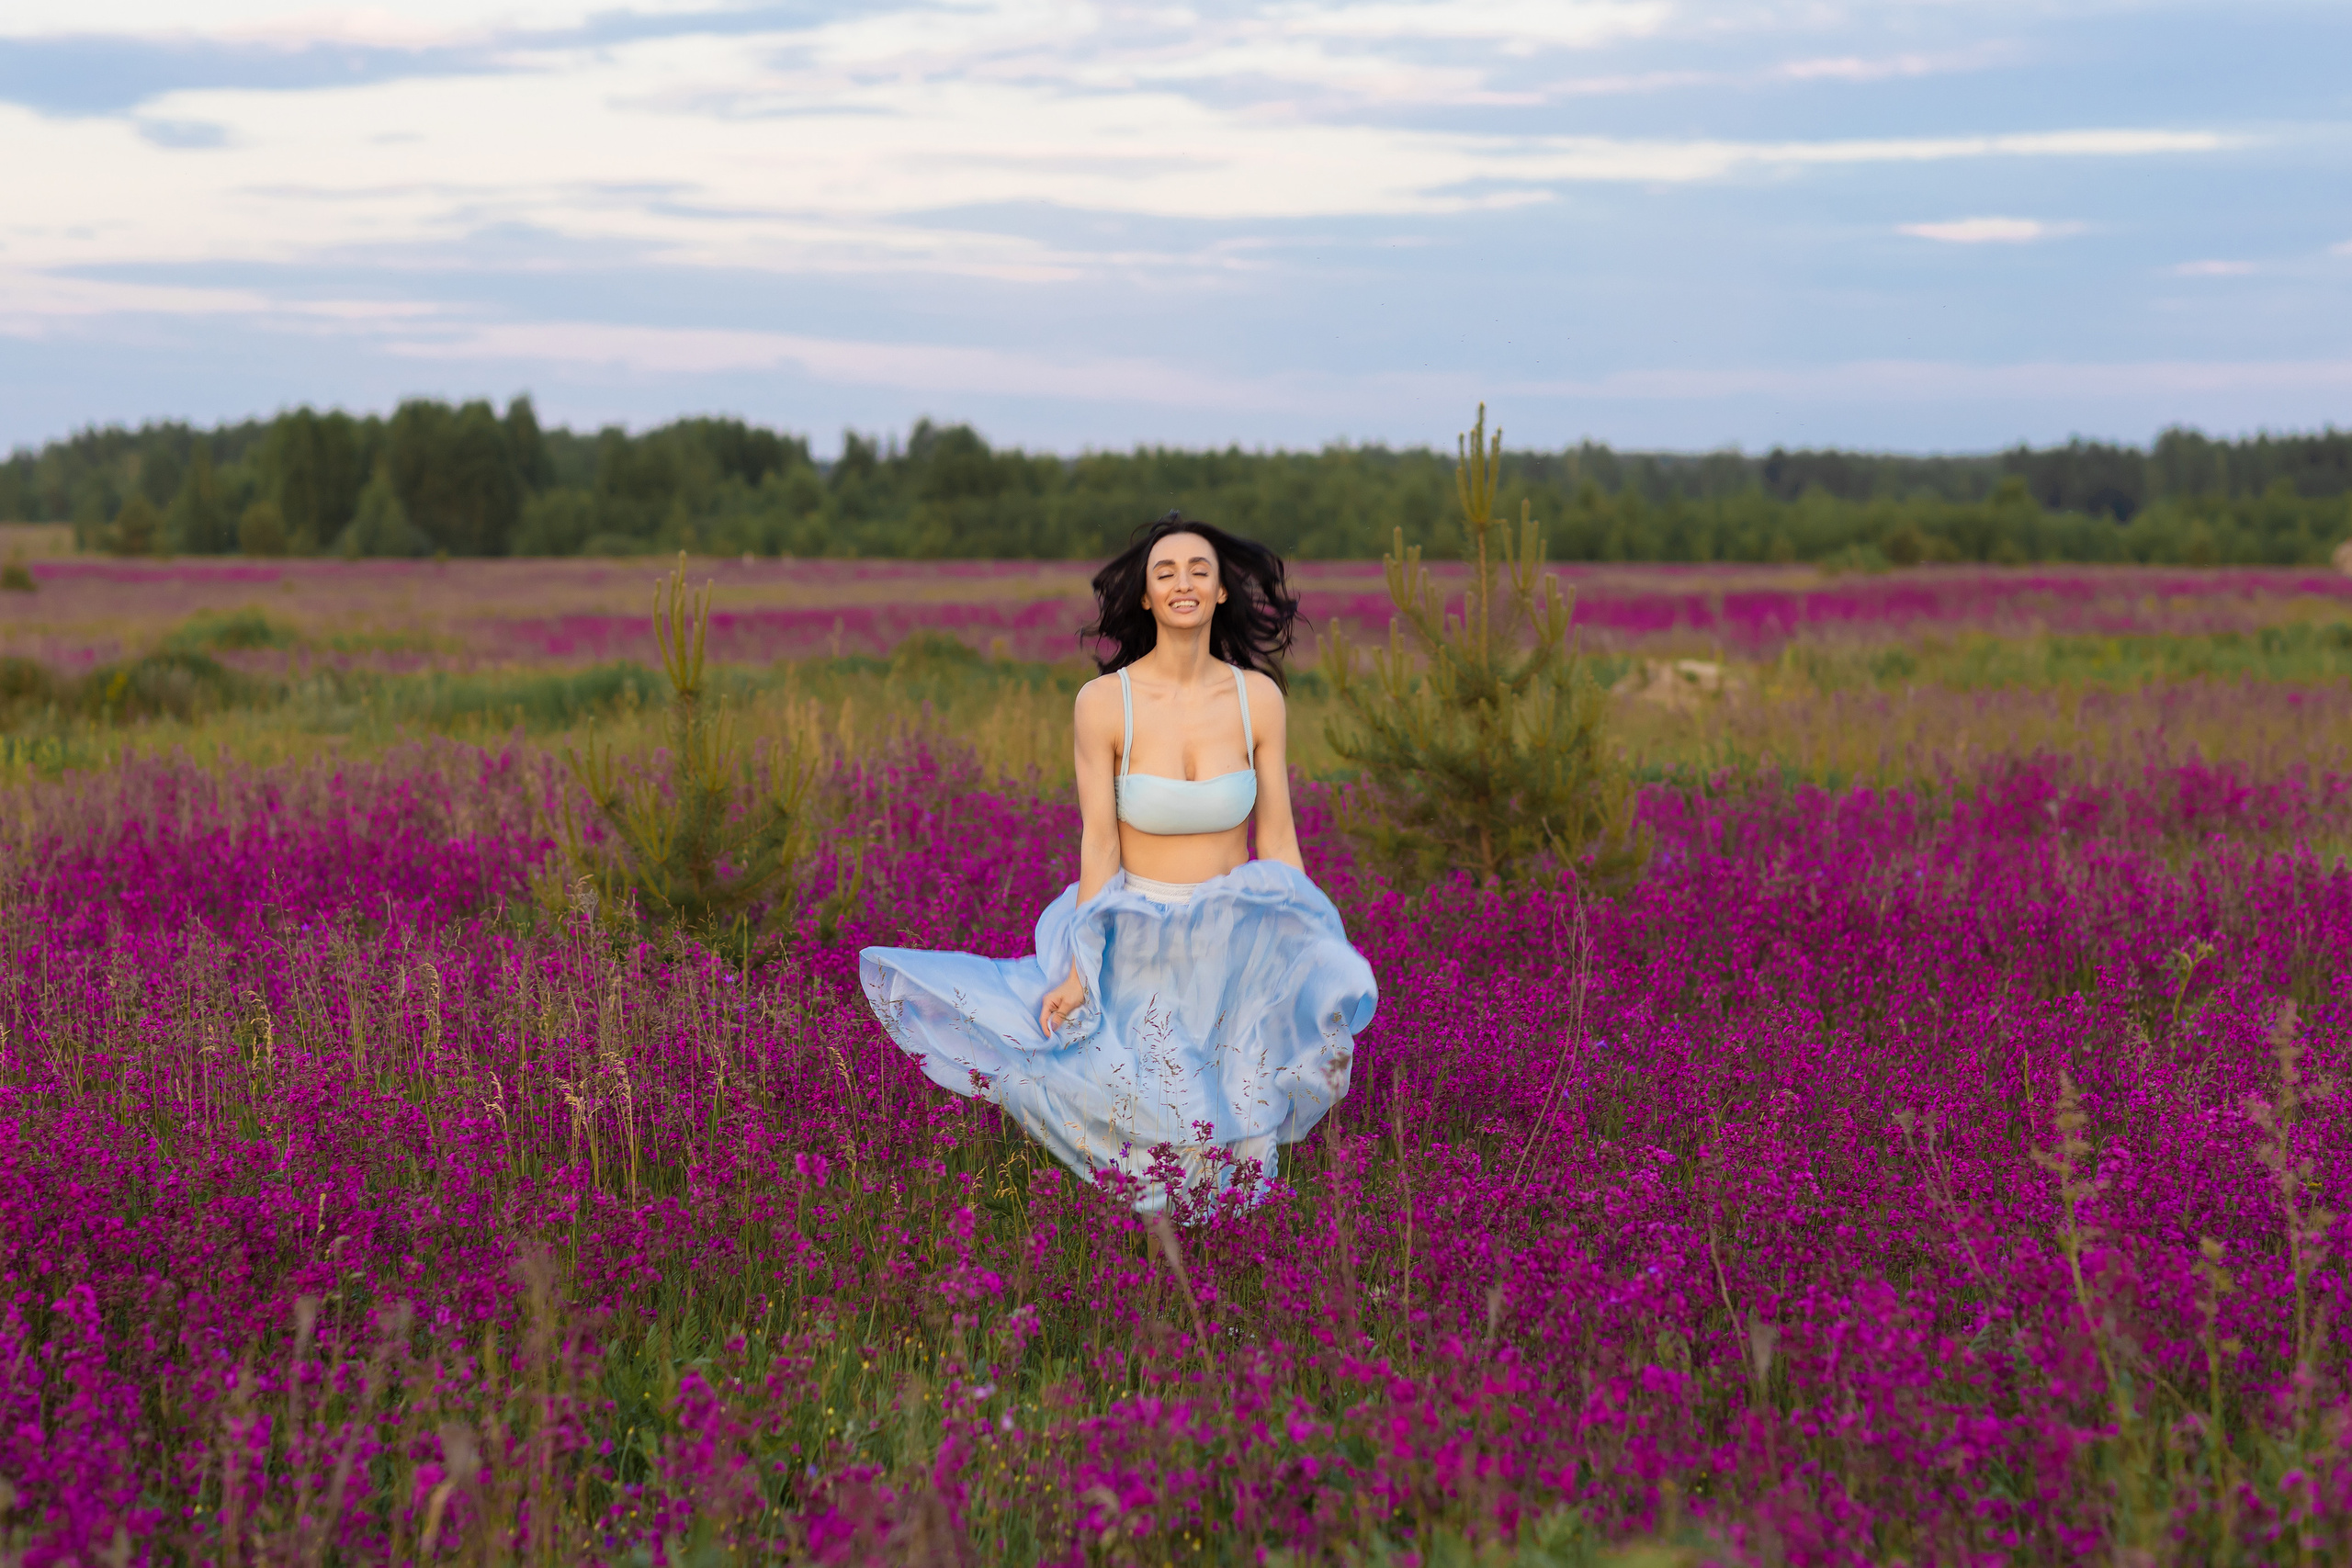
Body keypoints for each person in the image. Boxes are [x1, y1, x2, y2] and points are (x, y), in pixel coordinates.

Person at [859, 513, 1378, 1211]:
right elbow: (1099, 842)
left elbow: (1278, 837)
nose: (1183, 583)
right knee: (1145, 1118)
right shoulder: (1105, 703)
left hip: (1233, 933)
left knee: (1232, 1144)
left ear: (1222, 591)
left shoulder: (1260, 697)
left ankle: (1219, 1261)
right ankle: (1146, 1255)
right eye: (1165, 573)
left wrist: (1312, 944)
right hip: (1139, 927)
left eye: (1199, 570)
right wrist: (1079, 965)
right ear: (1146, 597)